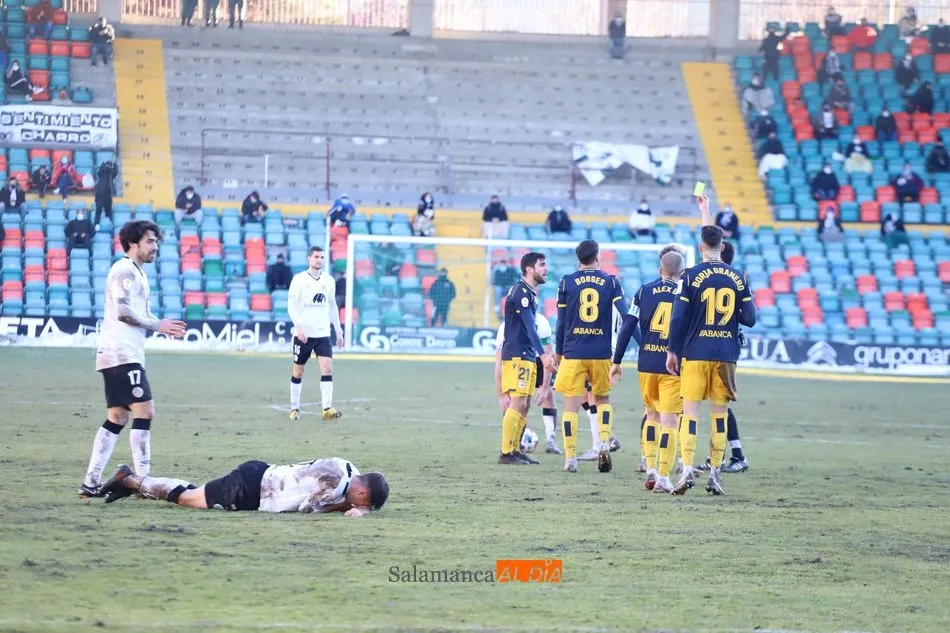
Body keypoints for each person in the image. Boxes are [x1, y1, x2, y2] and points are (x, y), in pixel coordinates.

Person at [78, 221, 187, 498]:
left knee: (117, 416)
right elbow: (123, 311)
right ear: (132, 244)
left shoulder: (137, 272)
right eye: (150, 241)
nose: (155, 247)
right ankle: (144, 483)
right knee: (145, 411)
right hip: (121, 353)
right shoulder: (124, 270)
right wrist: (157, 325)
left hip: (122, 353)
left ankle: (91, 482)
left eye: (156, 242)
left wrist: (155, 325)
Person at [666, 218, 756, 496]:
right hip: (726, 354)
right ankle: (715, 474)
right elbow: (750, 319)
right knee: (720, 415)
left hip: (695, 352)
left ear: (700, 247)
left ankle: (686, 471)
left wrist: (672, 349)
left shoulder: (690, 276)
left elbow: (679, 317)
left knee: (690, 414)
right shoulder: (739, 277)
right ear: (722, 246)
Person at [611, 249, 683, 493]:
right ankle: (663, 476)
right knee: (670, 422)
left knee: (651, 416)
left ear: (660, 270)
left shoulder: (644, 291)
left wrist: (616, 360)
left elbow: (628, 325)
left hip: (646, 364)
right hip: (672, 365)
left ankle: (651, 467)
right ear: (681, 272)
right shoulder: (686, 292)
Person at [553, 240, 629, 474]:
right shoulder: (611, 282)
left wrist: (558, 351)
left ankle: (570, 458)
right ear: (598, 257)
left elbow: (561, 322)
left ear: (578, 260)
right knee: (602, 400)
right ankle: (603, 443)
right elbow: (625, 316)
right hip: (601, 352)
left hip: (574, 351)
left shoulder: (567, 281)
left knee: (570, 406)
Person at [97, 457, 389, 518]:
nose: (360, 507)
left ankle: (137, 487)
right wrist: (343, 507)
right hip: (251, 490)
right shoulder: (337, 484)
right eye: (365, 504)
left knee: (194, 494)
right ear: (361, 494)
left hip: (259, 475)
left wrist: (349, 505)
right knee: (188, 499)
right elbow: (307, 509)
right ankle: (129, 479)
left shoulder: (347, 467)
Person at [497, 252, 555, 465]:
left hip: (527, 356)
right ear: (529, 269)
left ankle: (514, 448)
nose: (545, 269)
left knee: (526, 403)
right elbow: (530, 328)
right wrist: (544, 356)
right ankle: (506, 452)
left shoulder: (529, 293)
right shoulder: (520, 292)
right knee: (518, 401)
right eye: (541, 265)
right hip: (517, 355)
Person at [287, 246, 344, 422]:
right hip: (304, 333)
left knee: (327, 367)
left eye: (322, 257)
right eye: (316, 257)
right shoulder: (299, 280)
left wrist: (338, 329)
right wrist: (298, 327)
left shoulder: (329, 280)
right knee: (298, 370)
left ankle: (327, 408)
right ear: (309, 259)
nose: (319, 260)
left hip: (322, 333)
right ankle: (294, 409)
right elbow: (291, 306)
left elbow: (332, 305)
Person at [494, 311, 558, 454]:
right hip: (518, 360)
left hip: (539, 360)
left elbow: (548, 357)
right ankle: (510, 445)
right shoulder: (505, 328)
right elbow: (499, 363)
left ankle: (551, 441)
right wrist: (501, 394)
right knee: (516, 402)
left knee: (548, 396)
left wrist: (544, 387)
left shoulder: (541, 323)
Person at [94, 161, 116, 230]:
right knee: (98, 210)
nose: (107, 166)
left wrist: (113, 164)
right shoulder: (101, 173)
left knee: (108, 211)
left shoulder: (111, 174)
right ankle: (96, 224)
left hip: (108, 195)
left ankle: (109, 223)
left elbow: (116, 172)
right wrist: (104, 164)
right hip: (100, 195)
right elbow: (99, 171)